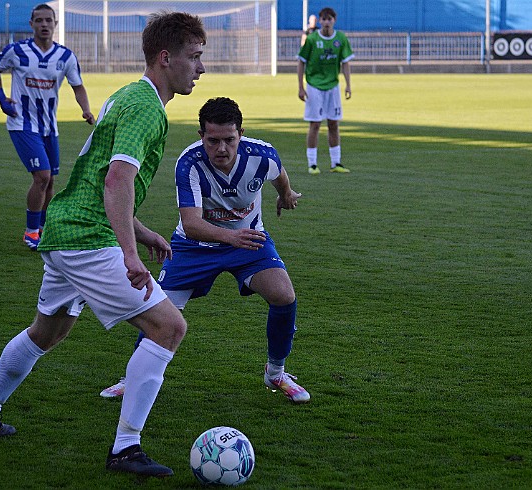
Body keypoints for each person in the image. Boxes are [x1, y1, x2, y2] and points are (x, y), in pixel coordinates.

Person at [0, 11, 206, 478]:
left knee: (46, 332)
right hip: (88, 240)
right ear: (165, 57)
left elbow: (99, 181)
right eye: (194, 57)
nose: (201, 67)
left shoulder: (129, 97)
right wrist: (130, 252)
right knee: (169, 328)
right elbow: (116, 180)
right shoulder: (145, 107)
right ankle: (125, 449)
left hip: (64, 228)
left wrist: (142, 231)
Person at [100, 97, 310, 405]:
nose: (222, 148)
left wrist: (286, 194)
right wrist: (231, 238)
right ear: (202, 136)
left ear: (241, 133)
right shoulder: (189, 163)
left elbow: (278, 175)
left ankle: (276, 373)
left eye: (229, 140)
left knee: (284, 296)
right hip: (193, 246)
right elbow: (193, 223)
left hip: (248, 241)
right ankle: (133, 379)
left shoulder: (262, 155)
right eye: (213, 141)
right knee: (159, 311)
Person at [0, 3, 95, 250]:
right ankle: (31, 232)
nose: (44, 25)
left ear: (55, 24)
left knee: (50, 183)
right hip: (22, 124)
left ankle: (44, 229)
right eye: (39, 20)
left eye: (49, 20)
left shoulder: (65, 57)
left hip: (50, 128)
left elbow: (77, 85)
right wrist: (1, 98)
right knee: (42, 177)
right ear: (31, 24)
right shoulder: (17, 51)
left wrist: (86, 109)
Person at [297, 7, 354, 175]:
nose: (327, 22)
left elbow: (345, 63)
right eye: (324, 19)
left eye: (330, 19)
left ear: (334, 20)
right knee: (315, 124)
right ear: (320, 21)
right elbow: (301, 61)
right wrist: (301, 86)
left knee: (334, 123)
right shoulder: (312, 39)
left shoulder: (341, 38)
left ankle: (336, 162)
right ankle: (312, 164)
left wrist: (348, 84)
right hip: (314, 86)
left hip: (333, 86)